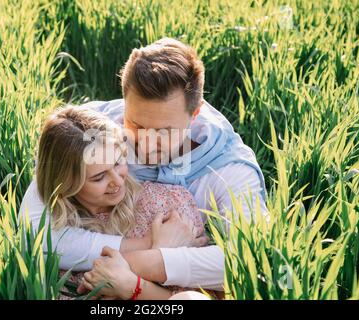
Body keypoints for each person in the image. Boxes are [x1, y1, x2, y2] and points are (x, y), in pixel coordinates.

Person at [19, 37, 267, 296]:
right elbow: (32, 235)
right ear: (124, 100)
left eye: (164, 132)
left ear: (195, 115)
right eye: (136, 125)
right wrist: (147, 246)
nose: (147, 147)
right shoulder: (93, 130)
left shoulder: (230, 170)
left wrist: (140, 264)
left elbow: (254, 260)